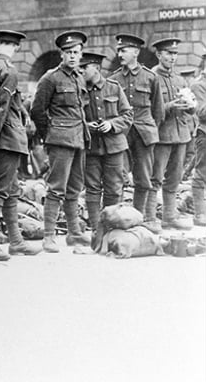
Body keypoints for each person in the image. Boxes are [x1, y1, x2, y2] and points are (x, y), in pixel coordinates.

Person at [0, 30, 42, 260]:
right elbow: (1, 109)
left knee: (12, 190)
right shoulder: (8, 70)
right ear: (16, 47)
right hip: (6, 139)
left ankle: (16, 241)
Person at [30, 31, 93, 253]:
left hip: (79, 139)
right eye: (68, 52)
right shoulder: (50, 78)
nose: (72, 56)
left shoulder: (79, 77)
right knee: (56, 188)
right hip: (60, 141)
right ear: (61, 54)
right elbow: (37, 110)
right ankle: (48, 236)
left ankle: (74, 233)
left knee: (75, 188)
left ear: (81, 54)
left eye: (76, 52)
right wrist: (51, 134)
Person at [110, 33, 165, 229]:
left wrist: (150, 130)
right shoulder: (114, 79)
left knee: (143, 179)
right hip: (121, 135)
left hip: (144, 134)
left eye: (124, 50)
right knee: (117, 177)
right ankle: (116, 220)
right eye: (118, 51)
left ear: (135, 52)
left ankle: (138, 219)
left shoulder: (151, 77)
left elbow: (158, 111)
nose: (120, 54)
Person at [79, 49, 133, 236]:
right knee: (92, 188)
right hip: (91, 147)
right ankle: (97, 229)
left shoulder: (114, 87)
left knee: (114, 187)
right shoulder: (79, 90)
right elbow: (74, 117)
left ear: (96, 68)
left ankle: (111, 227)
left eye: (84, 68)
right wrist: (86, 126)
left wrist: (111, 124)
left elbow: (128, 115)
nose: (80, 71)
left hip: (114, 146)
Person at [148, 38, 196, 230]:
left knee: (175, 178)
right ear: (159, 55)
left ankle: (169, 217)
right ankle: (149, 218)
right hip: (161, 136)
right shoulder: (151, 77)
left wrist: (190, 106)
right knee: (155, 177)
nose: (173, 57)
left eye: (175, 54)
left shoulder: (179, 79)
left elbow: (191, 106)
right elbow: (147, 110)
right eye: (169, 53)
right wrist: (169, 106)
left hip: (181, 135)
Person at [190, 52, 206, 226]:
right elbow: (201, 112)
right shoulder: (199, 85)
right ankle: (200, 214)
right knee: (202, 174)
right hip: (205, 134)